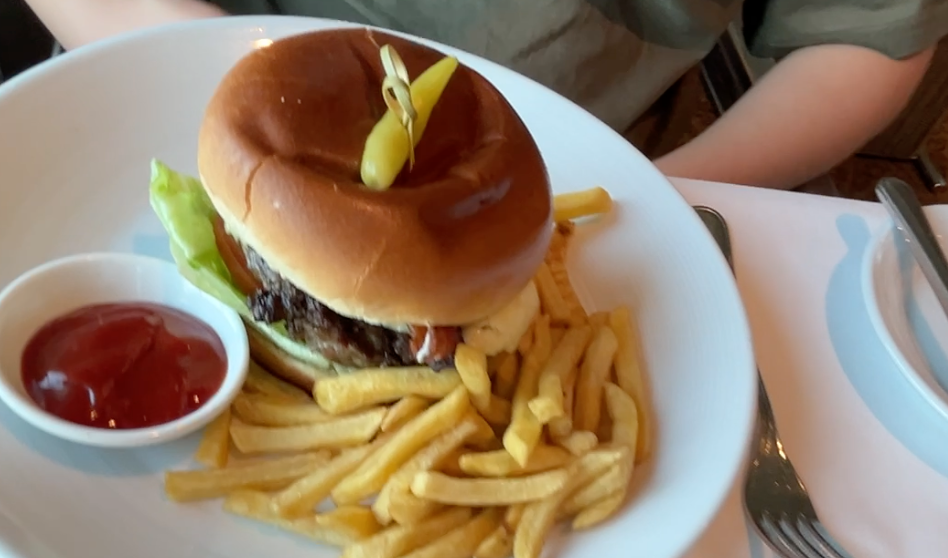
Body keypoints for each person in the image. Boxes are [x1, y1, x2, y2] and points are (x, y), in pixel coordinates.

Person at [20, 0, 948, 189]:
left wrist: (655, 197)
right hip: (159, 75)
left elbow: (864, 30)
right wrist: (227, 90)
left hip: (583, 163)